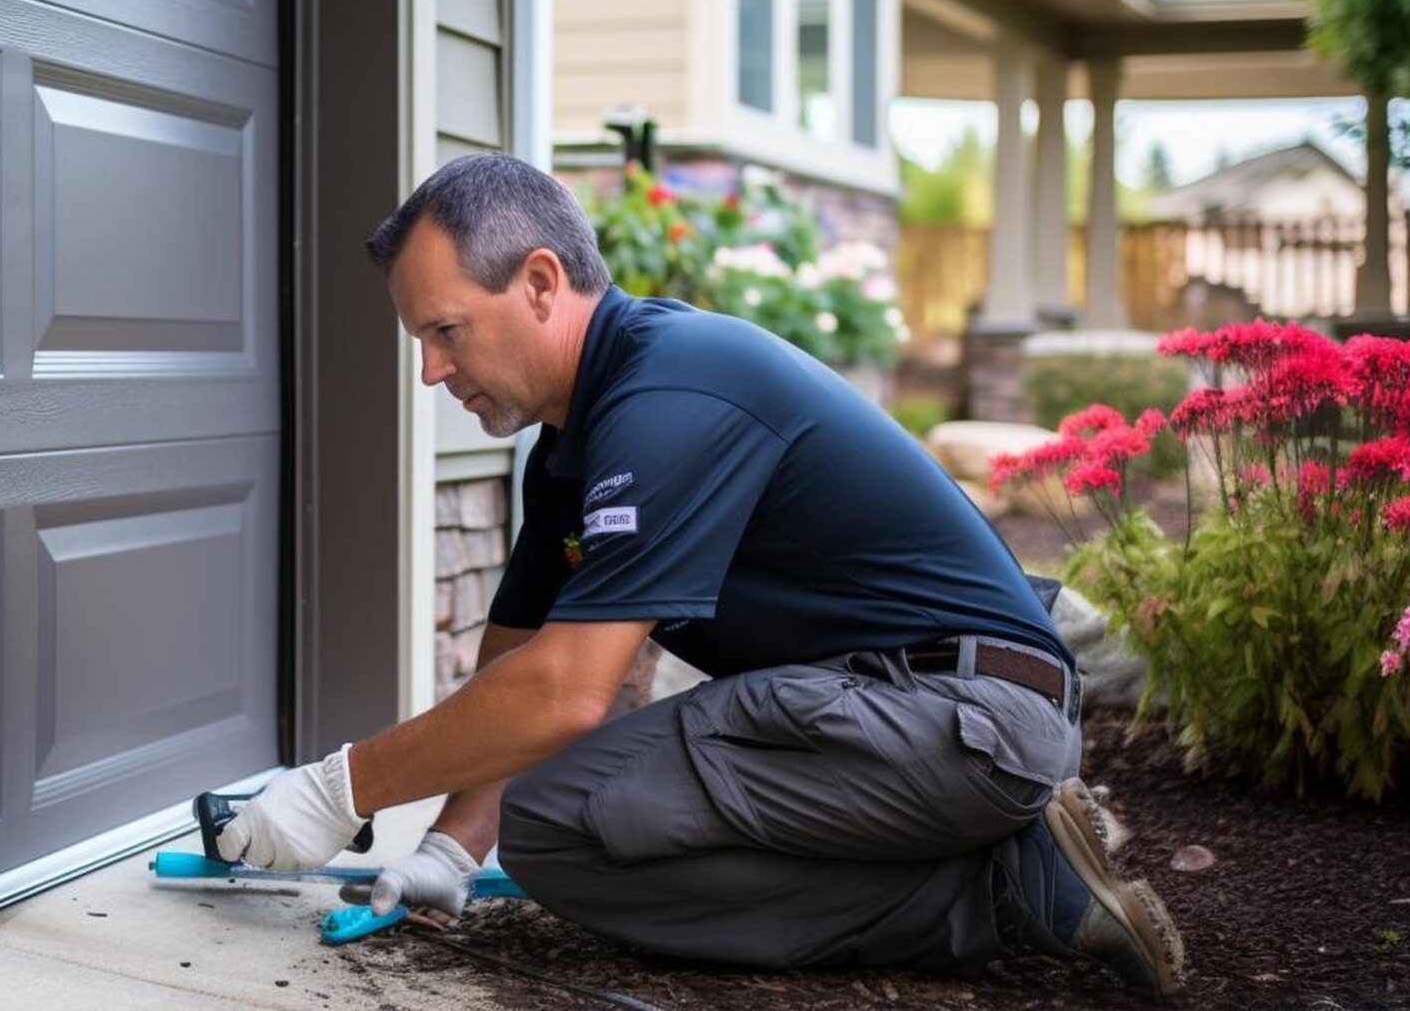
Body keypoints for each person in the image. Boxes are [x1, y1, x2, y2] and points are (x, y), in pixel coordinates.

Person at [216, 154, 1183, 996]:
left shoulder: (671, 392)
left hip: (965, 716)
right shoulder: (570, 448)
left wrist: (337, 789)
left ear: (541, 282)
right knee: (561, 843)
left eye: (446, 331)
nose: (431, 370)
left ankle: (1004, 889)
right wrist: (450, 846)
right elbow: (515, 663)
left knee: (562, 815)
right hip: (907, 718)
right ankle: (1020, 876)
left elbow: (563, 693)